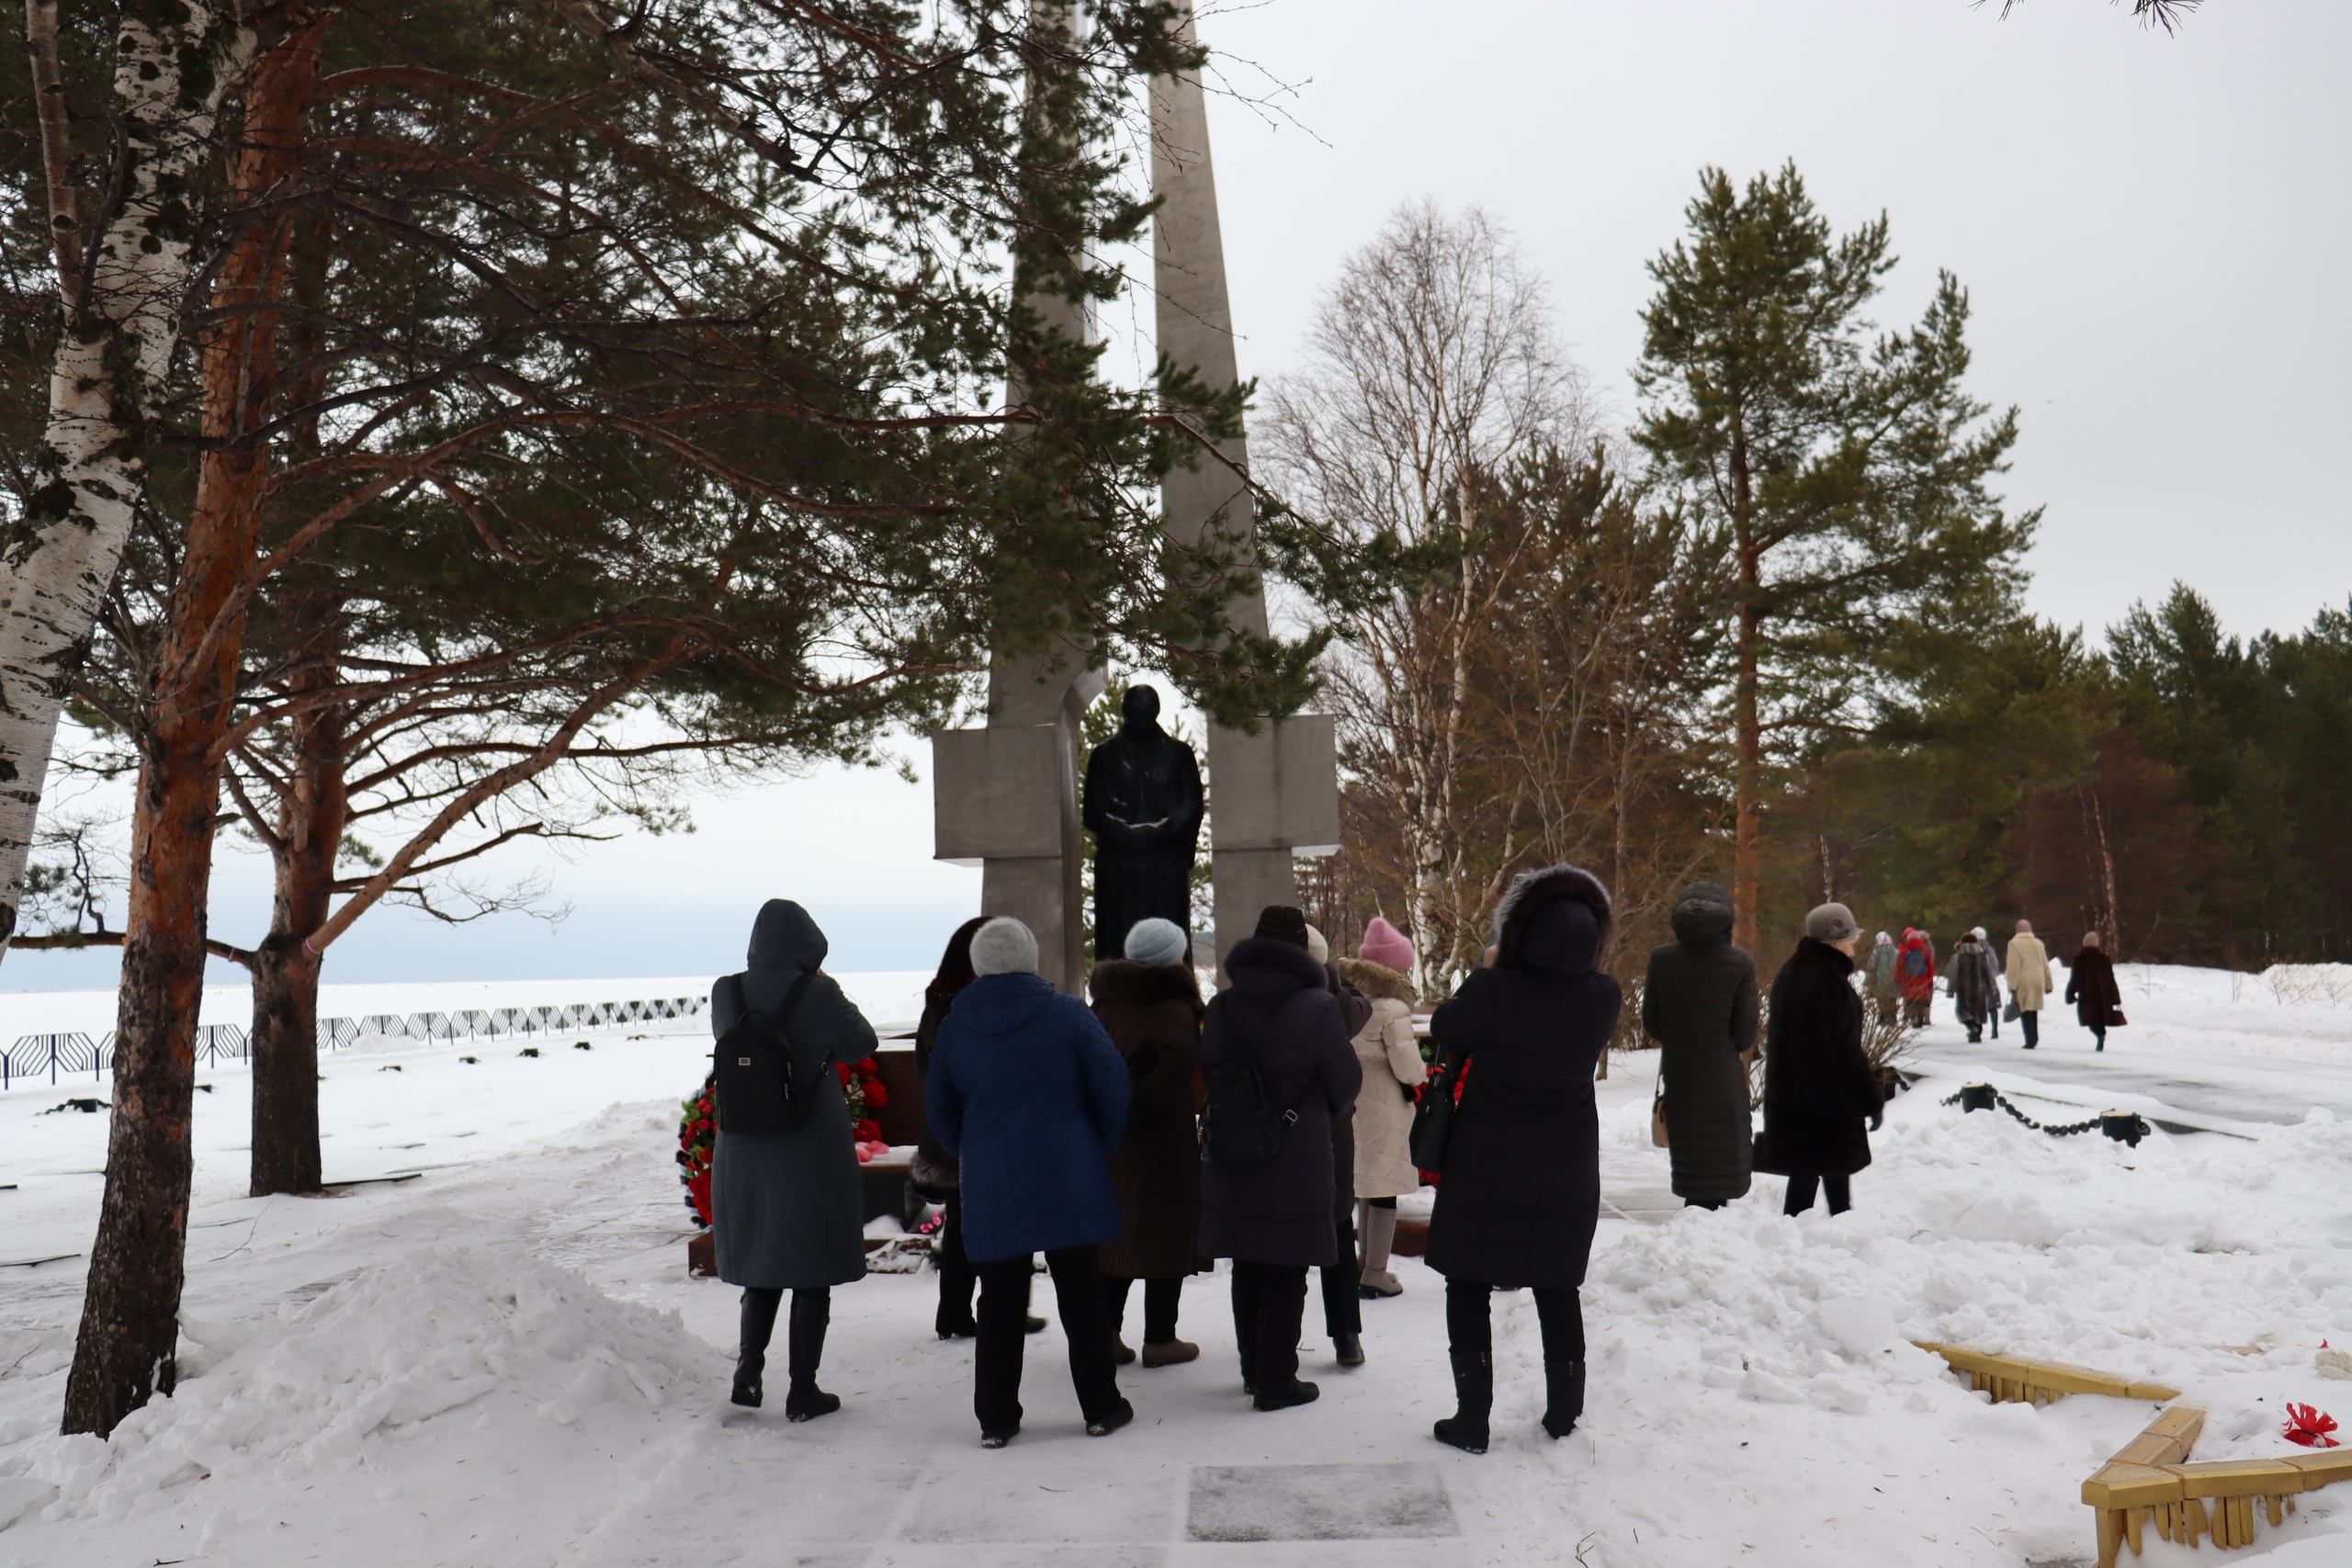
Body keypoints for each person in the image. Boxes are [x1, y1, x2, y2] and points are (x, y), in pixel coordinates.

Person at [1424, 865, 1620, 1454]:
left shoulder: (1494, 990)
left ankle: (1471, 1419)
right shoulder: (1604, 997)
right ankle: (1564, 1416)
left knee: (1468, 1283)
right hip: (1566, 1162)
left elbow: (1445, 1025)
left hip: (1487, 1160)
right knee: (1557, 1285)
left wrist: (1486, 972)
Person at [926, 917, 1134, 1447]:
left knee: (998, 1299)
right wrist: (1100, 1143)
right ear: (1030, 958)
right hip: (1068, 1172)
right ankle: (1101, 1408)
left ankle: (996, 1419)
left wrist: (973, 1150)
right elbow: (1112, 1084)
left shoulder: (956, 1024)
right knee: (1082, 1293)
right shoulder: (1067, 1014)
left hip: (994, 1181)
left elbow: (941, 1109)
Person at [710, 899, 870, 1417]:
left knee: (762, 1253)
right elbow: (859, 1044)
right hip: (809, 1140)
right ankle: (803, 1390)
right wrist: (824, 988)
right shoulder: (818, 991)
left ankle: (748, 1371)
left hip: (744, 1141)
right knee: (811, 1259)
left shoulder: (725, 990)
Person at [1199, 905, 1362, 1412]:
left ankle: (1252, 1370)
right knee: (1287, 1267)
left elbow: (1210, 1068)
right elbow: (1344, 1082)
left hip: (1232, 1152)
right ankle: (1276, 1381)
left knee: (1247, 1261)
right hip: (1295, 1154)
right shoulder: (1318, 1006)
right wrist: (1312, 1112)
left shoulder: (1222, 1005)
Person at [1089, 916, 1206, 1368]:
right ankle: (1161, 1337)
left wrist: (1111, 1106)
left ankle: (1106, 1333)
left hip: (1112, 1142)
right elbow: (1176, 1065)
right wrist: (1134, 1102)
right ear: (1171, 957)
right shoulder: (1171, 1004)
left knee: (1117, 1236)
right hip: (1161, 1143)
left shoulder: (1105, 1003)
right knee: (1165, 1234)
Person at [1756, 903, 1883, 1219]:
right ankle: (1832, 1233)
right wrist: (1870, 1099)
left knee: (1809, 1174)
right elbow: (1845, 1050)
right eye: (1850, 937)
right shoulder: (1828, 981)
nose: (1854, 944)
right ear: (1834, 939)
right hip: (1826, 1104)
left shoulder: (1793, 971)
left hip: (1796, 1102)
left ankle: (1803, 1237)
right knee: (1825, 1174)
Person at [1641, 881, 1758, 1213]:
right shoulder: (1739, 963)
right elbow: (1746, 1034)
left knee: (1693, 1165)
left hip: (1680, 1076)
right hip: (1722, 1079)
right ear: (1727, 920)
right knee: (1720, 1165)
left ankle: (1696, 1230)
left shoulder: (1661, 960)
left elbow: (1652, 1023)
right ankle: (1710, 1238)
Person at [1336, 917, 1424, 1298]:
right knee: (1383, 1186)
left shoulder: (1351, 999)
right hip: (1385, 1101)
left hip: (1352, 1099)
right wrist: (1423, 1076)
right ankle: (1375, 1271)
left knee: (1364, 1184)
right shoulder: (1393, 1007)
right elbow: (1407, 1066)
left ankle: (1362, 1264)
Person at [1305, 922, 1373, 1366]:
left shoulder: (1258, 998)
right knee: (1336, 1232)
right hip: (1330, 1129)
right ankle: (1347, 1337)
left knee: (1278, 1240)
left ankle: (1266, 1351)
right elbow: (1360, 1008)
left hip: (1275, 1129)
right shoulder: (1335, 1004)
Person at [2067, 931, 2124, 1052]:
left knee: (2090, 1019)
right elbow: (2110, 979)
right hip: (2104, 995)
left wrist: (2070, 994)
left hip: (2088, 995)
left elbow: (2075, 978)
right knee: (2101, 1017)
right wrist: (2116, 997)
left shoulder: (2080, 959)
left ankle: (2100, 1035)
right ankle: (2101, 1035)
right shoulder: (2104, 959)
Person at [2007, 919, 2056, 1050]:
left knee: (2025, 1010)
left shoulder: (2014, 944)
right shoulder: (2038, 943)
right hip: (2038, 979)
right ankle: (2034, 1038)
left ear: (2017, 930)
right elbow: (2045, 965)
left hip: (2023, 980)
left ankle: (2030, 1040)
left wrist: (2012, 985)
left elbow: (2014, 967)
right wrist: (2048, 984)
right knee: (2033, 1009)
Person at [1949, 929, 2001, 1045]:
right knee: (1978, 1012)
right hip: (1980, 988)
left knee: (1963, 1011)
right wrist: (1992, 987)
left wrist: (1950, 990)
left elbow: (1952, 974)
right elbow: (1989, 973)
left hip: (1964, 989)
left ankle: (1972, 1029)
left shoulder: (1957, 956)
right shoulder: (1983, 956)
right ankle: (1976, 1033)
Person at [1896, 928, 1937, 1029]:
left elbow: (1900, 967)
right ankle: (1920, 1016)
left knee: (1910, 1002)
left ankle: (1912, 1017)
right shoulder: (1924, 951)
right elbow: (1930, 968)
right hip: (1922, 981)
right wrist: (1930, 981)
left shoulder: (1904, 951)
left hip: (1908, 981)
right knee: (1921, 1001)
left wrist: (1898, 980)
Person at [1973, 926, 2005, 1039]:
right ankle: (1995, 1030)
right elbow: (1995, 965)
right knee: (1992, 1007)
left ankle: (1977, 1030)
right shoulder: (1990, 949)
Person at [1867, 931, 1901, 1027]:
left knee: (1881, 999)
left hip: (1880, 980)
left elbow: (1871, 966)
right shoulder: (1896, 952)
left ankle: (1882, 1018)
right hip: (1893, 981)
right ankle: (1893, 1019)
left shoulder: (1876, 952)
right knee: (1892, 999)